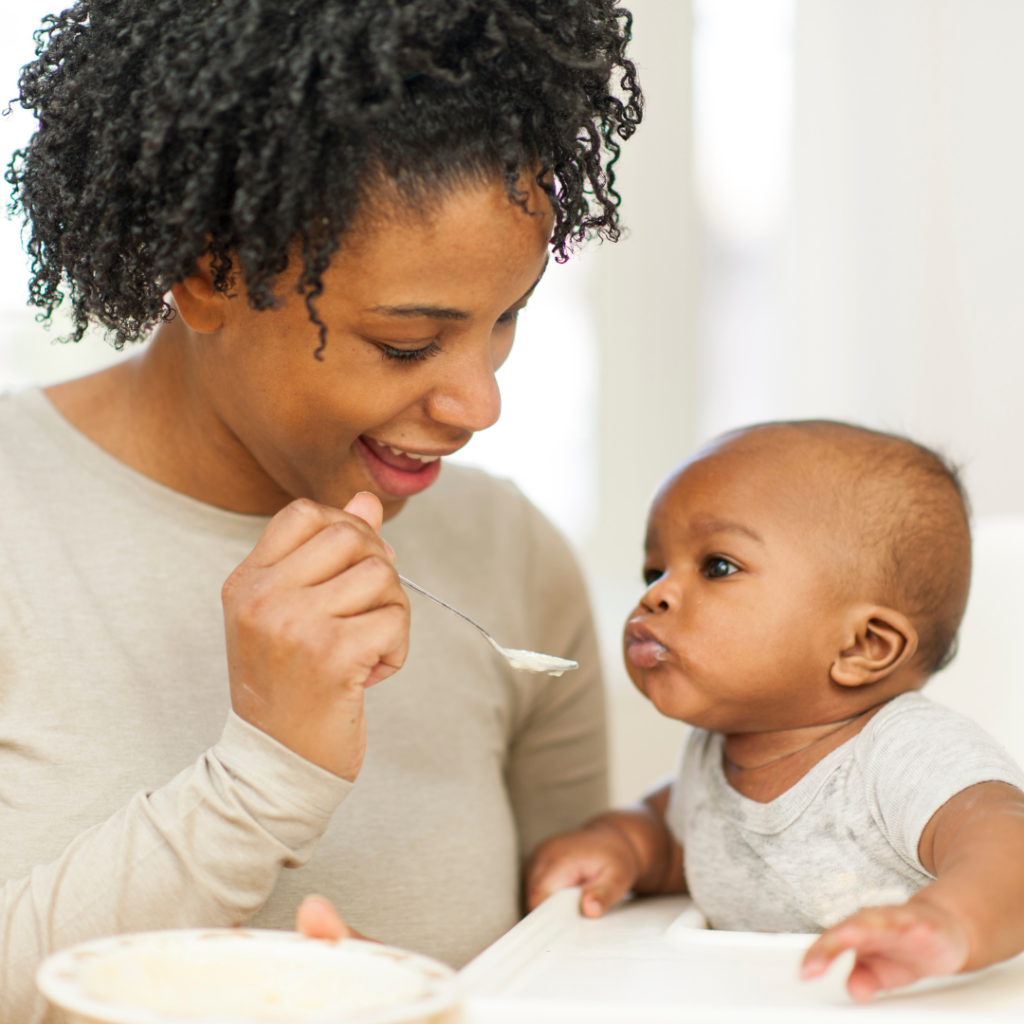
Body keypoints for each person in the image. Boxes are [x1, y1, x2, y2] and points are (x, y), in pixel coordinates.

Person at [0, 1, 643, 1019]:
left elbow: (573, 963)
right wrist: (264, 771)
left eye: (506, 317)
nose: (480, 404)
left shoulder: (511, 555)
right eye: (405, 342)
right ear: (206, 274)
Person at [527, 421, 1024, 1001]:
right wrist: (623, 847)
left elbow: (1008, 848)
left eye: (716, 565)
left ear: (863, 646)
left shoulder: (904, 753)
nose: (655, 593)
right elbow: (686, 846)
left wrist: (950, 922)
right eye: (653, 569)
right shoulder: (714, 755)